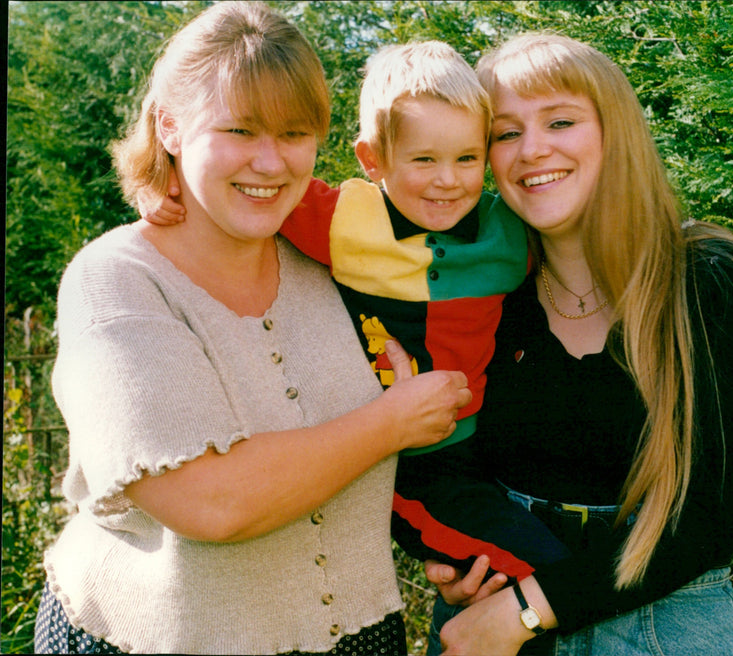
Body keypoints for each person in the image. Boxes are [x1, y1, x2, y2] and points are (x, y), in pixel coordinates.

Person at [33, 3, 472, 654]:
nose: (271, 163)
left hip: (359, 635)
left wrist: (456, 549)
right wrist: (391, 423)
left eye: (294, 133)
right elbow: (212, 501)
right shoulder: (116, 281)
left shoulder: (340, 267)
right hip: (158, 641)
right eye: (240, 130)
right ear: (171, 128)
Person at [408, 32, 733, 656]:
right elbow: (444, 462)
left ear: (617, 132)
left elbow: (710, 517)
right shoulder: (481, 295)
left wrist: (529, 610)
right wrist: (462, 555)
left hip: (660, 622)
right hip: (495, 604)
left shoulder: (710, 278)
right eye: (505, 133)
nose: (533, 150)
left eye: (560, 120)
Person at [143, 40, 571, 579]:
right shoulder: (345, 218)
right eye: (423, 160)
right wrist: (163, 186)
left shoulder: (509, 230)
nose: (448, 179)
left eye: (468, 158)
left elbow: (583, 237)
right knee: (539, 569)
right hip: (407, 466)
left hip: (485, 446)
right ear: (373, 159)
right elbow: (240, 184)